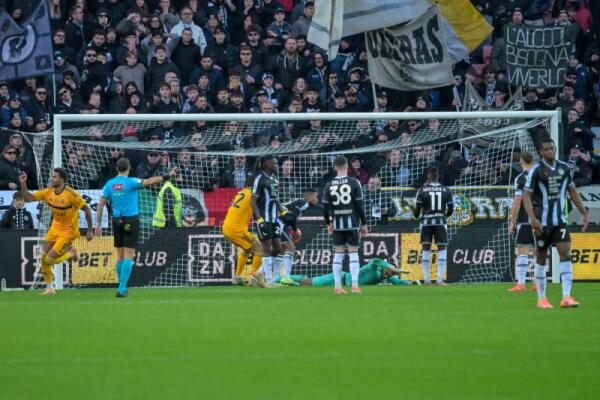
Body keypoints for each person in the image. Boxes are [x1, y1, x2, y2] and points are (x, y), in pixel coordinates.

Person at [95, 158, 176, 297]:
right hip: (130, 220)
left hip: (116, 221)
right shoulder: (131, 182)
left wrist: (98, 224)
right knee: (129, 256)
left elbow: (101, 204)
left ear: (117, 168)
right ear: (129, 168)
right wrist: (167, 176)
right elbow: (149, 182)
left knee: (120, 257)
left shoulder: (109, 184)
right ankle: (122, 288)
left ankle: (121, 286)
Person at [522, 138, 589, 309]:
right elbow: (526, 196)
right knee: (541, 257)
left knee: (565, 254)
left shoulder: (564, 168)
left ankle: (566, 297)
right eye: (546, 149)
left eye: (552, 148)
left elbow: (572, 191)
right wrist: (532, 219)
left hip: (560, 221)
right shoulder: (536, 170)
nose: (550, 151)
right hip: (542, 222)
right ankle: (542, 299)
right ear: (541, 152)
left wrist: (583, 212)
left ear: (555, 149)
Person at [18, 169, 93, 295]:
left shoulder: (71, 194)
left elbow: (87, 210)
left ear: (62, 180)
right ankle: (50, 288)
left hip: (68, 232)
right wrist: (23, 183)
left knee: (49, 260)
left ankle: (71, 254)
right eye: (52, 176)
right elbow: (27, 198)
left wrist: (90, 230)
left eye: (55, 177)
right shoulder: (48, 192)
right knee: (43, 258)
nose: (52, 179)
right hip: (54, 228)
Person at [322, 156, 368, 294]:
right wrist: (364, 223)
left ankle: (337, 286)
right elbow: (359, 205)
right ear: (347, 166)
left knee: (338, 253)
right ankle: (354, 285)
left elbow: (325, 208)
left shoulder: (329, 185)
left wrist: (328, 223)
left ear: (335, 167)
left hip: (337, 224)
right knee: (353, 253)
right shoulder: (354, 182)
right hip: (352, 223)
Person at [413, 166, 454, 285]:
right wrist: (443, 216)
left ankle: (427, 280)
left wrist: (418, 215)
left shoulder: (422, 190)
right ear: (438, 176)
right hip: (440, 222)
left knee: (426, 249)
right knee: (442, 249)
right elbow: (451, 209)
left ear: (428, 176)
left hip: (426, 223)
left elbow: (416, 212)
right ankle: (439, 280)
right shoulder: (446, 190)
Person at [222, 176, 265, 287]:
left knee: (247, 249)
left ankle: (237, 277)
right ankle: (254, 277)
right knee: (259, 248)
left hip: (226, 228)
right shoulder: (252, 195)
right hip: (237, 230)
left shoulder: (241, 193)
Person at [273, 188, 319, 284]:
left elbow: (289, 216)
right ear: (309, 196)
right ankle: (286, 277)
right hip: (278, 222)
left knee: (280, 250)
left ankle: (274, 278)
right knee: (291, 248)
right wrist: (295, 230)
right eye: (315, 196)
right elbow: (290, 218)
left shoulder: (299, 202)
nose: (316, 199)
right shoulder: (304, 204)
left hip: (277, 222)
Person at [250, 155, 284, 286]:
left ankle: (260, 273)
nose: (276, 166)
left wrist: (284, 211)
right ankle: (269, 281)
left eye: (277, 164)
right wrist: (259, 219)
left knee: (278, 247)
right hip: (264, 218)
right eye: (274, 164)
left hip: (274, 218)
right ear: (267, 165)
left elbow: (275, 199)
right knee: (267, 248)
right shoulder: (260, 178)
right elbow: (252, 201)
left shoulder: (274, 178)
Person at [507, 151, 535, 292]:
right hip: (541, 219)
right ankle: (537, 283)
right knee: (538, 251)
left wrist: (512, 222)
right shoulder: (542, 175)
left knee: (522, 250)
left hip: (525, 220)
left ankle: (521, 284)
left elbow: (517, 202)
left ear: (521, 161)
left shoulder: (520, 178)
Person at [277, 258, 410, 287]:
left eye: (388, 276)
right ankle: (278, 279)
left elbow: (398, 282)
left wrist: (413, 283)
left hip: (343, 285)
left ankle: (283, 281)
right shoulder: (374, 267)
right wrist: (395, 268)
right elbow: (376, 260)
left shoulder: (385, 276)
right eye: (387, 273)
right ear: (385, 267)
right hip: (339, 278)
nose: (386, 276)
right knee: (307, 282)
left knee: (307, 282)